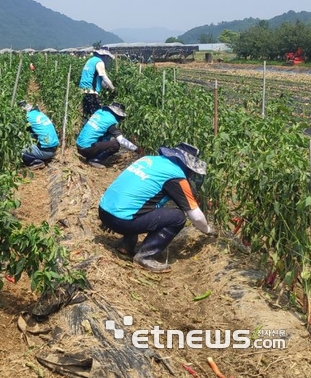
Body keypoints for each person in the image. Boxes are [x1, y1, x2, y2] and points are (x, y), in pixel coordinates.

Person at [98, 143, 212, 273]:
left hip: (104, 211)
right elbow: (196, 216)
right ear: (187, 165)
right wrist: (207, 230)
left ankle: (126, 245)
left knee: (142, 203)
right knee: (178, 217)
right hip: (121, 220)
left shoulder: (148, 160)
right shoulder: (176, 176)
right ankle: (145, 256)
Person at [76, 102, 137, 168]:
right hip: (86, 149)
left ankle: (91, 156)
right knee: (115, 145)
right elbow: (121, 140)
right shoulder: (110, 122)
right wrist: (136, 149)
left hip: (79, 146)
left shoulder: (100, 112)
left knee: (104, 136)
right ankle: (95, 160)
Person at [78, 48, 116, 122]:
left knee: (86, 115)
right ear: (104, 56)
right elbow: (105, 78)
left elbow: (96, 79)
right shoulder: (99, 62)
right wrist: (113, 88)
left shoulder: (91, 60)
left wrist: (106, 87)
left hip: (83, 91)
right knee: (96, 117)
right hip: (90, 92)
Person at [19, 100, 59, 170]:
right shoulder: (39, 113)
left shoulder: (27, 117)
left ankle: (36, 162)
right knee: (32, 135)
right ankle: (39, 155)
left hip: (45, 151)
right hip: (54, 148)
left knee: (18, 149)